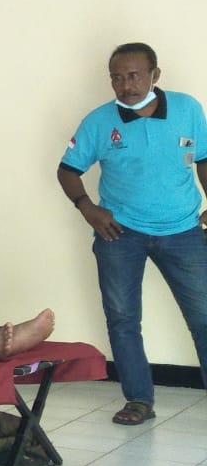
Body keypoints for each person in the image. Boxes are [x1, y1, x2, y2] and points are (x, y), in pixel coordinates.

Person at [58, 41, 207, 425]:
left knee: (204, 316)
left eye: (134, 76)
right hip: (120, 234)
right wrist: (87, 208)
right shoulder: (98, 122)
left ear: (155, 75)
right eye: (117, 78)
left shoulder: (188, 109)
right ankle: (138, 400)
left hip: (184, 231)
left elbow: (204, 159)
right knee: (123, 320)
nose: (126, 85)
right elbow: (67, 170)